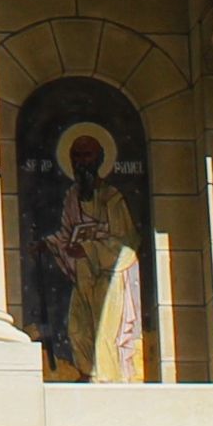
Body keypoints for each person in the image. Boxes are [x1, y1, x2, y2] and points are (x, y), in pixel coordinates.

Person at [40, 125, 148, 383]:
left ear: (99, 159)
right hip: (85, 273)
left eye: (87, 156)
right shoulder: (71, 196)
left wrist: (88, 247)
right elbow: (66, 231)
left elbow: (126, 241)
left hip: (112, 276)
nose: (81, 162)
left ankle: (108, 379)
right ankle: (88, 373)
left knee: (106, 331)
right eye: (76, 157)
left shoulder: (112, 198)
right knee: (77, 329)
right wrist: (49, 243)